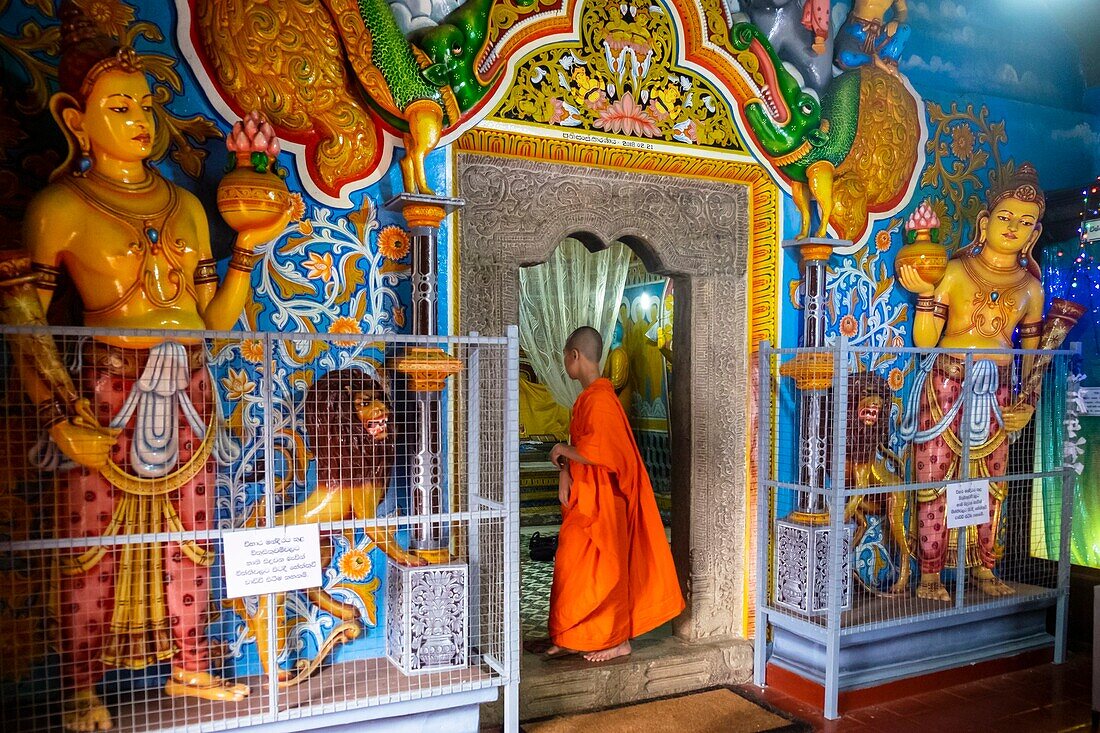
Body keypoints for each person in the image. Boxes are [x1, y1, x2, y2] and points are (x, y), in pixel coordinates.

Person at [16, 3, 292, 729]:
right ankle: (78, 685)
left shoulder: (186, 208)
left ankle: (191, 665)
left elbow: (214, 324)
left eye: (145, 103)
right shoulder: (60, 208)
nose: (140, 118)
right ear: (76, 120)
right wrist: (56, 414)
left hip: (189, 382)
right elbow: (21, 322)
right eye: (118, 105)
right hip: (103, 386)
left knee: (192, 534)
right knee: (87, 543)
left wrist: (252, 245)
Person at [897, 164, 1046, 603]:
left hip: (998, 390)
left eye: (1024, 222)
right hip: (946, 383)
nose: (1013, 228)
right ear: (984, 223)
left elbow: (1033, 356)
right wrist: (926, 292)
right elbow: (925, 341)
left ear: (1034, 233)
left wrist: (1029, 400)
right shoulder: (956, 272)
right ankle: (929, 575)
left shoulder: (1031, 289)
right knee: (933, 477)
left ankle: (984, 565)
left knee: (992, 481)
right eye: (1004, 218)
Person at [545, 326, 684, 662]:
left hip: (606, 502)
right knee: (569, 567)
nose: (565, 364)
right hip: (584, 500)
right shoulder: (587, 399)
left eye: (565, 357)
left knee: (606, 573)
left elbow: (601, 451)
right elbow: (582, 445)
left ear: (574, 356)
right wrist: (564, 466)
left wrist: (562, 449)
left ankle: (617, 639)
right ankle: (570, 635)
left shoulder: (602, 399)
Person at [835, 0, 909, 71]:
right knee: (846, 57)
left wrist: (896, 20)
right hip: (855, 33)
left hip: (878, 36)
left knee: (904, 29)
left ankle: (888, 62)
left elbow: (902, 10)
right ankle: (873, 61)